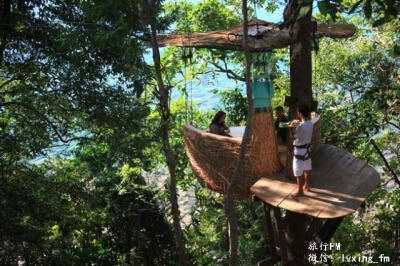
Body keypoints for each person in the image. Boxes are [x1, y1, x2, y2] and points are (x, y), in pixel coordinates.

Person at [292, 104, 313, 197]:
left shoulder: (300, 126)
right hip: (307, 149)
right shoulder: (310, 123)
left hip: (299, 150)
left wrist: (291, 128)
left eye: (298, 112)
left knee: (298, 171)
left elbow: (294, 137)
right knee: (307, 168)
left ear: (300, 113)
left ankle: (300, 191)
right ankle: (307, 185)